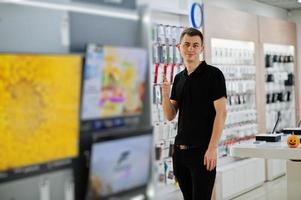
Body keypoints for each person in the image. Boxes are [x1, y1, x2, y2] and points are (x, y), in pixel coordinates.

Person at [162, 27, 227, 200]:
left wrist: (212, 148)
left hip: (203, 152)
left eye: (195, 45)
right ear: (179, 47)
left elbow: (221, 113)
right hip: (180, 153)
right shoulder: (179, 78)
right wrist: (165, 94)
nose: (191, 49)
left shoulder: (214, 75)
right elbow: (170, 115)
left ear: (202, 48)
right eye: (187, 44)